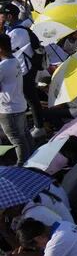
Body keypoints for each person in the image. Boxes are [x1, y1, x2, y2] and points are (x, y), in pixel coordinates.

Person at [0, 32, 32, 162]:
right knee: (24, 135)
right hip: (19, 105)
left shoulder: (2, 67)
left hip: (8, 109)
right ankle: (32, 161)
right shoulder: (14, 60)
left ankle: (23, 166)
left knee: (17, 139)